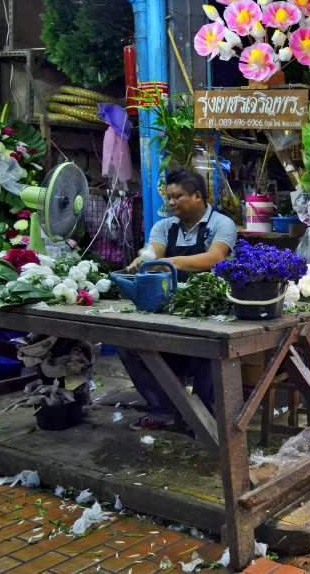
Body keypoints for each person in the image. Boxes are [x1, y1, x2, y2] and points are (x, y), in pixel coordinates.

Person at [121, 169, 238, 430]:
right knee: (130, 346)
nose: (171, 202)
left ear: (197, 196)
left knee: (211, 347)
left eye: (178, 196)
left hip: (210, 309)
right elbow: (155, 250)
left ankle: (204, 417)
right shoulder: (164, 226)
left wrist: (170, 262)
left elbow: (214, 258)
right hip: (170, 308)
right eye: (169, 197)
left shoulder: (221, 224)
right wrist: (145, 258)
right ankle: (163, 410)